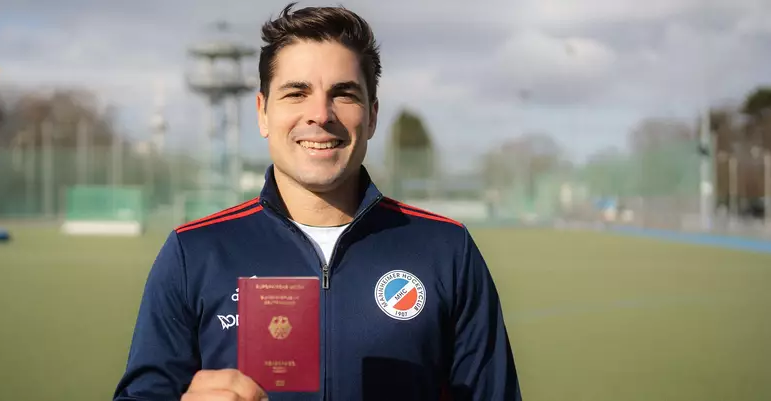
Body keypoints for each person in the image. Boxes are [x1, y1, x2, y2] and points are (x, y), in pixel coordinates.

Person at [113, 3, 521, 400]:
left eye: (343, 94)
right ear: (262, 112)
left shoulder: (446, 249)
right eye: (296, 93)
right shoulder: (194, 253)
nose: (320, 114)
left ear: (372, 116)